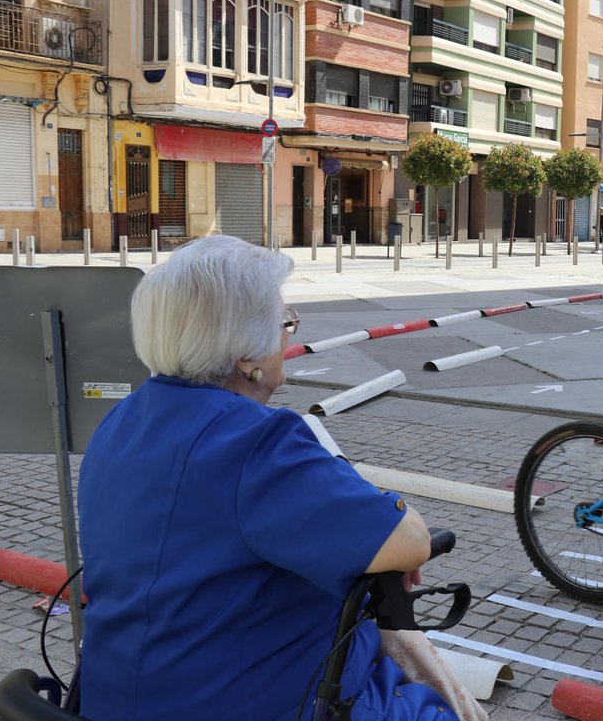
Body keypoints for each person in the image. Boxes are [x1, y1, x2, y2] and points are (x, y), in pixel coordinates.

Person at [77, 236, 487, 721]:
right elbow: (410, 541)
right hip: (255, 702)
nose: (287, 339)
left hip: (116, 696)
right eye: (284, 325)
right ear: (246, 358)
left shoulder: (120, 422)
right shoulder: (256, 440)